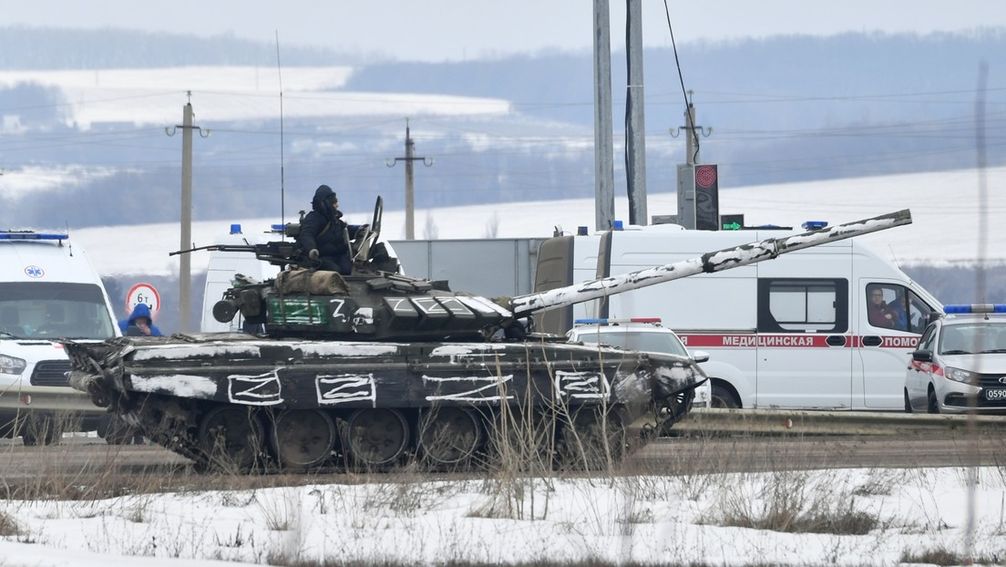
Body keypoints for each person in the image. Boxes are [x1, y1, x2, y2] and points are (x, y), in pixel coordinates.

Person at [296, 184, 367, 275]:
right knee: (334, 271)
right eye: (334, 202)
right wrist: (312, 249)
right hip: (322, 256)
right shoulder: (314, 218)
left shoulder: (334, 219)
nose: (337, 205)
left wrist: (360, 229)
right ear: (326, 203)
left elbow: (345, 230)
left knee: (347, 270)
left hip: (338, 254)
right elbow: (307, 235)